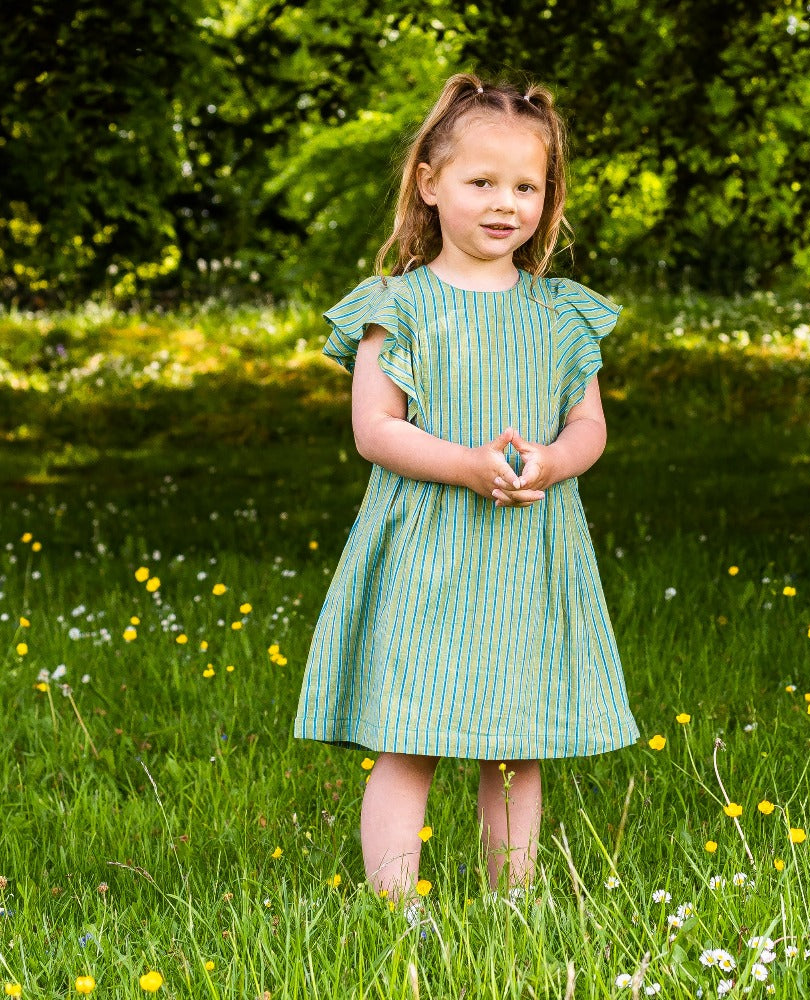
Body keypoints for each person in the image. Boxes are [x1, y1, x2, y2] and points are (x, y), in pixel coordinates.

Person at [293, 72, 639, 912]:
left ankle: (511, 900)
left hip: (527, 555)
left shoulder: (560, 315)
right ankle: (394, 908)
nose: (503, 203)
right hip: (426, 551)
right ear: (430, 182)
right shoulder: (397, 306)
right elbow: (376, 428)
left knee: (516, 746)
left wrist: (556, 461)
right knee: (409, 739)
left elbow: (588, 425)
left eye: (525, 185)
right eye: (481, 181)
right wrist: (463, 463)